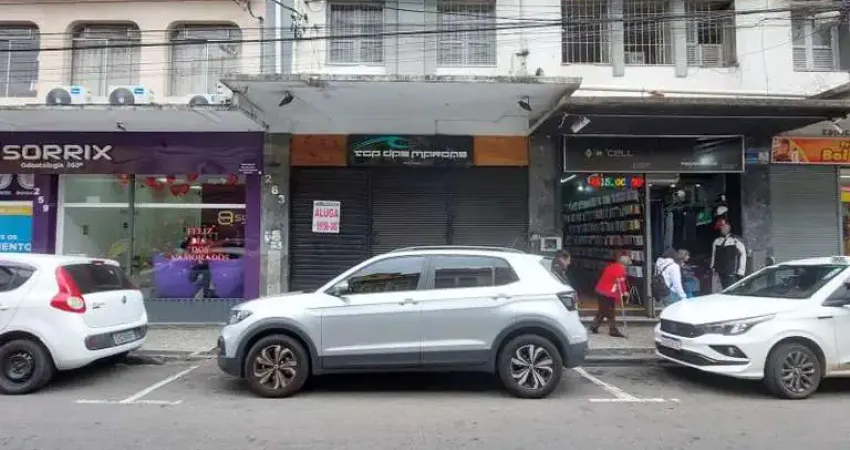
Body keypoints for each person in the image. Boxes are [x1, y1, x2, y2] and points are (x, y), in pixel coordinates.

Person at [590, 252, 630, 338]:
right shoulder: (621, 270)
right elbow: (621, 282)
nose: (627, 267)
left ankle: (594, 326)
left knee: (603, 310)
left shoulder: (611, 266)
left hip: (601, 291)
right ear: (625, 264)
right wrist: (624, 292)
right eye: (627, 265)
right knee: (610, 312)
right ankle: (613, 330)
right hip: (607, 293)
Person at [711, 221, 747, 290]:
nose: (722, 229)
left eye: (724, 228)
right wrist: (713, 267)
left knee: (731, 289)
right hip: (720, 270)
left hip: (731, 271)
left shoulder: (735, 240)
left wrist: (741, 271)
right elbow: (714, 255)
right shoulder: (717, 241)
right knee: (722, 289)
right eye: (721, 228)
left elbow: (743, 255)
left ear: (728, 229)